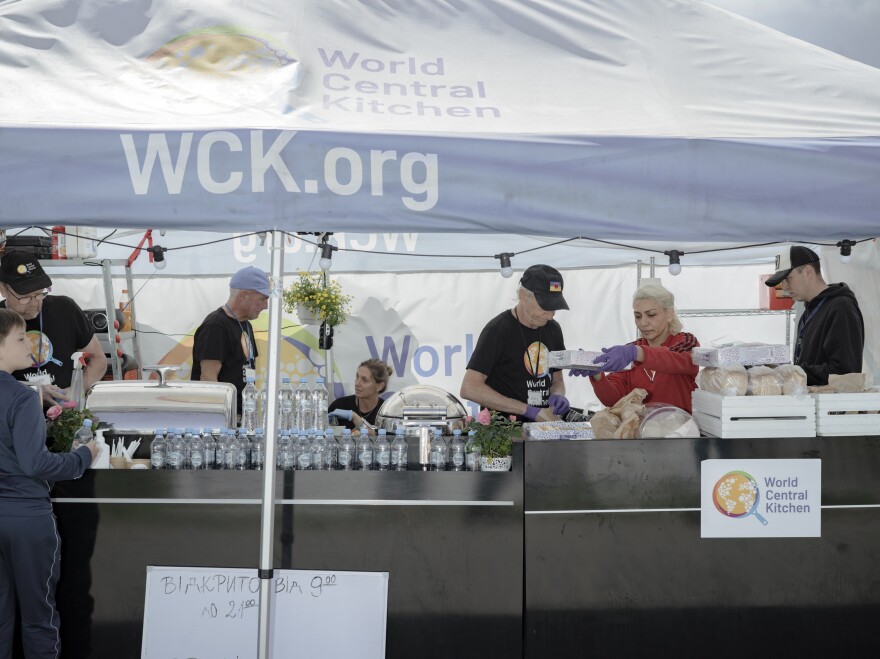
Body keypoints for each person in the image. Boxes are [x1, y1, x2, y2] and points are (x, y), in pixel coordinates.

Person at [0, 308, 98, 658]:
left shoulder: (24, 393)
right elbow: (36, 463)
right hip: (26, 518)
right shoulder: (22, 397)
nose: (30, 344)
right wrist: (84, 456)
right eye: (20, 337)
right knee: (40, 616)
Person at [461, 264, 570, 422]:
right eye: (545, 307)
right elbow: (469, 388)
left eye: (554, 309)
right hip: (506, 435)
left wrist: (557, 396)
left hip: (543, 430)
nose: (550, 316)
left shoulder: (553, 329)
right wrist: (527, 410)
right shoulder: (498, 329)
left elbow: (557, 380)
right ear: (523, 297)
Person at [0, 251, 106, 404]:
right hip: (14, 415)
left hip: (66, 413)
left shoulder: (65, 308)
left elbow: (98, 359)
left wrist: (74, 391)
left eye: (39, 293)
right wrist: (31, 391)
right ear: (3, 289)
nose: (35, 302)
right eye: (25, 297)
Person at [575, 284, 699, 413]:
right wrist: (597, 374)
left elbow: (679, 358)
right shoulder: (629, 351)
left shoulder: (686, 341)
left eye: (651, 315)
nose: (643, 323)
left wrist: (637, 353)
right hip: (641, 430)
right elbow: (614, 400)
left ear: (669, 314)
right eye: (638, 316)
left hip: (681, 431)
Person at [764, 246, 864, 386]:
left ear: (808, 272)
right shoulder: (809, 311)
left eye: (788, 278)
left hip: (831, 406)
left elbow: (845, 372)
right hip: (811, 404)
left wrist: (795, 373)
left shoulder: (842, 308)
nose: (784, 287)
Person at [191, 266, 270, 410]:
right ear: (243, 295)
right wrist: (223, 420)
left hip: (242, 416)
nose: (266, 306)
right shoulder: (215, 326)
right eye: (263, 299)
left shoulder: (245, 324)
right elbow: (208, 379)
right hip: (222, 419)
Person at [328, 359, 394, 430]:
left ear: (379, 386)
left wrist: (354, 417)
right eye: (357, 377)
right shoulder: (339, 406)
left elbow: (381, 438)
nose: (357, 384)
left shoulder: (386, 413)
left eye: (364, 380)